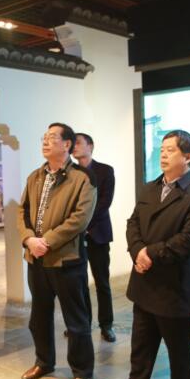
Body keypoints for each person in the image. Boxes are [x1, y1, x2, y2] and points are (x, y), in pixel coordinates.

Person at [96, 130, 190, 379]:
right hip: (145, 283)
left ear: (187, 157)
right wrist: (137, 251)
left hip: (174, 288)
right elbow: (132, 223)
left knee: (178, 353)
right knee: (141, 350)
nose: (163, 154)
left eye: (170, 150)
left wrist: (150, 253)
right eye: (162, 148)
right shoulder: (150, 188)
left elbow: (189, 241)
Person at [17, 123, 97, 379]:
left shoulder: (82, 178)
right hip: (36, 258)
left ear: (67, 144)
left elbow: (80, 219)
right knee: (39, 316)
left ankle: (82, 372)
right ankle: (44, 362)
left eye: (52, 137)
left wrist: (47, 241)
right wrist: (29, 239)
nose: (45, 141)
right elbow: (22, 212)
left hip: (66, 260)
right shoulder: (35, 177)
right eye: (44, 137)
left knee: (76, 321)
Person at [73, 132, 116, 342]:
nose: (74, 146)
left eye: (78, 143)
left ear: (90, 146)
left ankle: (106, 325)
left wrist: (84, 224)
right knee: (79, 283)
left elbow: (105, 202)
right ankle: (83, 324)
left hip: (98, 233)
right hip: (75, 237)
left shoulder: (105, 170)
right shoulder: (70, 172)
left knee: (102, 283)